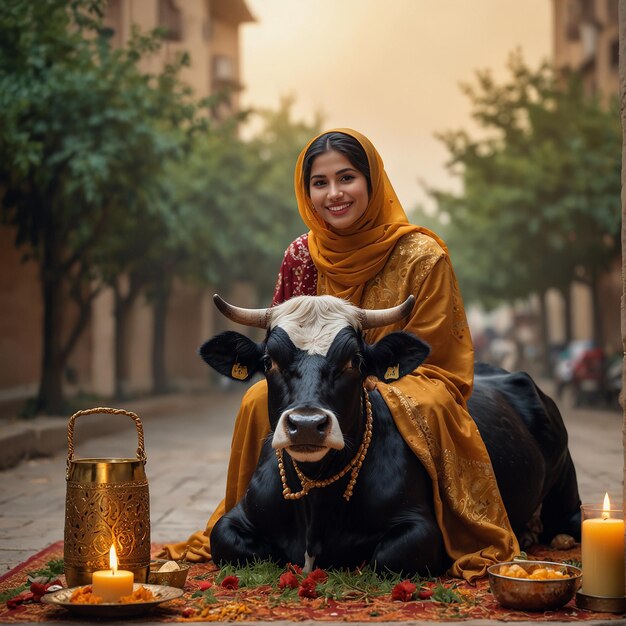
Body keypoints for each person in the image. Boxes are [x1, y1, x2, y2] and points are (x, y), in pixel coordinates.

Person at [160, 128, 519, 582]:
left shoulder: (423, 255)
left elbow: (438, 356)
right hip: (312, 382)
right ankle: (254, 510)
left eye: (346, 178)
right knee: (255, 398)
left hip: (406, 378)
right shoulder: (300, 255)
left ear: (372, 181)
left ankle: (449, 518)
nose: (334, 194)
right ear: (306, 190)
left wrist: (361, 375)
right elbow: (282, 347)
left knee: (425, 404)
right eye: (320, 182)